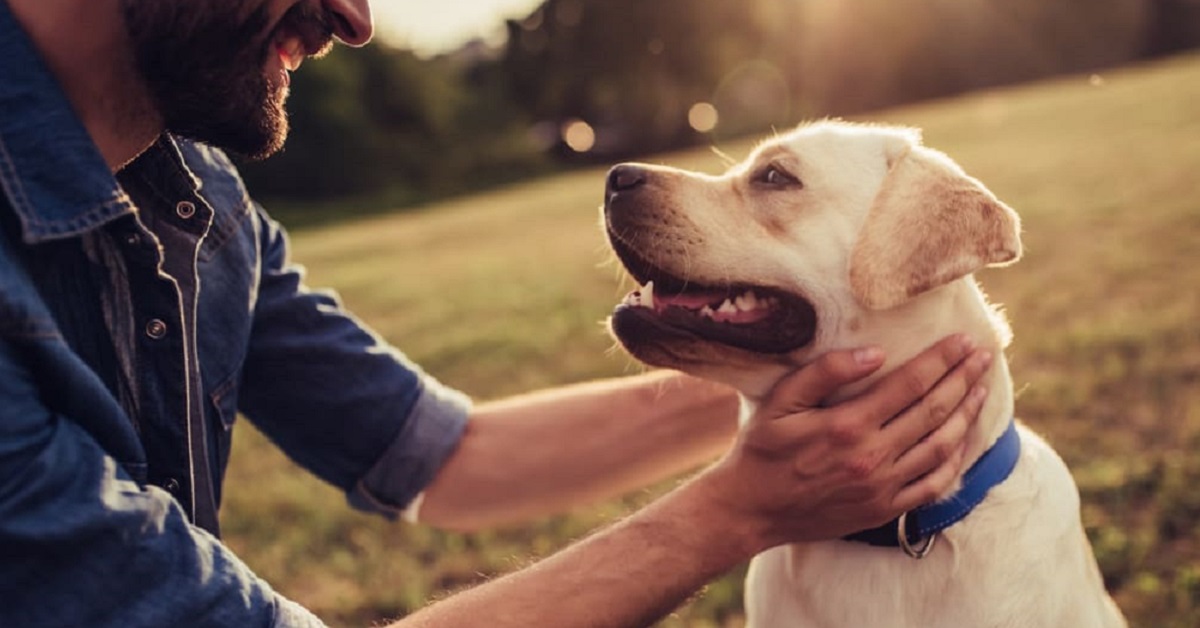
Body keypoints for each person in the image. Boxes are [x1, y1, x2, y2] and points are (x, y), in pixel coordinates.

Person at [0, 1, 993, 626]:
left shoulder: (200, 204)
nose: (354, 18)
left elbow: (448, 454)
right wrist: (739, 507)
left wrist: (839, 376)